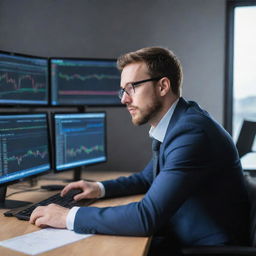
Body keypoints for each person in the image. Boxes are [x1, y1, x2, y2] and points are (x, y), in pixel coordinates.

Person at [30, 47, 250, 255]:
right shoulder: (179, 122)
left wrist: (68, 216)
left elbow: (146, 217)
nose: (124, 99)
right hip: (181, 234)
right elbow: (148, 178)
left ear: (163, 86)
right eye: (123, 91)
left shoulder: (191, 133)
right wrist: (99, 188)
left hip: (204, 247)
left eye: (131, 88)